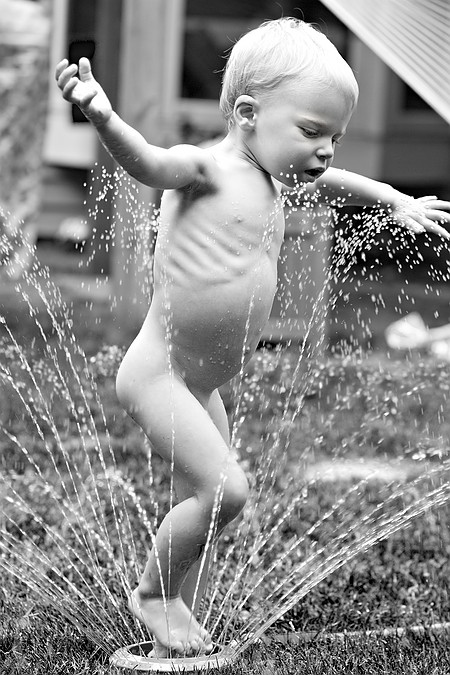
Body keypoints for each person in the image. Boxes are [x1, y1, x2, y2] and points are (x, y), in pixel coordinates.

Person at [55, 18, 450, 658]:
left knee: (203, 509)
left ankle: (179, 635)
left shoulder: (275, 175)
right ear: (246, 113)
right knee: (224, 491)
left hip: (202, 382)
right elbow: (148, 162)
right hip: (160, 375)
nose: (325, 150)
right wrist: (103, 117)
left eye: (335, 136)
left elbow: (335, 182)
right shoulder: (206, 169)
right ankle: (155, 594)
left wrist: (392, 197)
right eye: (312, 132)